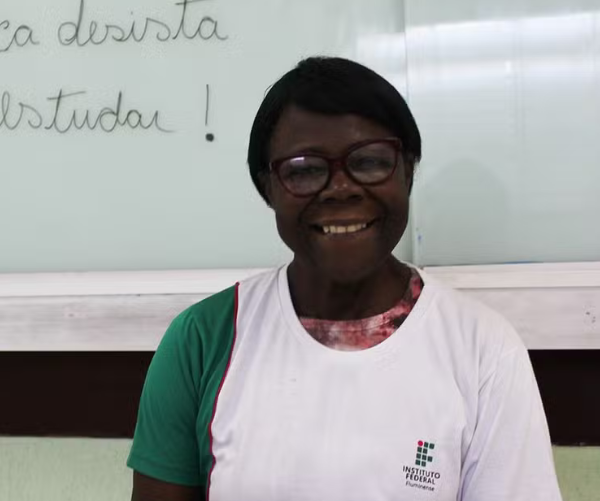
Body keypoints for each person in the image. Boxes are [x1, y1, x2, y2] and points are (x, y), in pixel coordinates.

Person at [127, 57, 562, 501]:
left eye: (371, 161)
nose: (341, 188)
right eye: (304, 169)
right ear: (267, 188)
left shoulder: (482, 349)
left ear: (408, 171)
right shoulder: (202, 341)